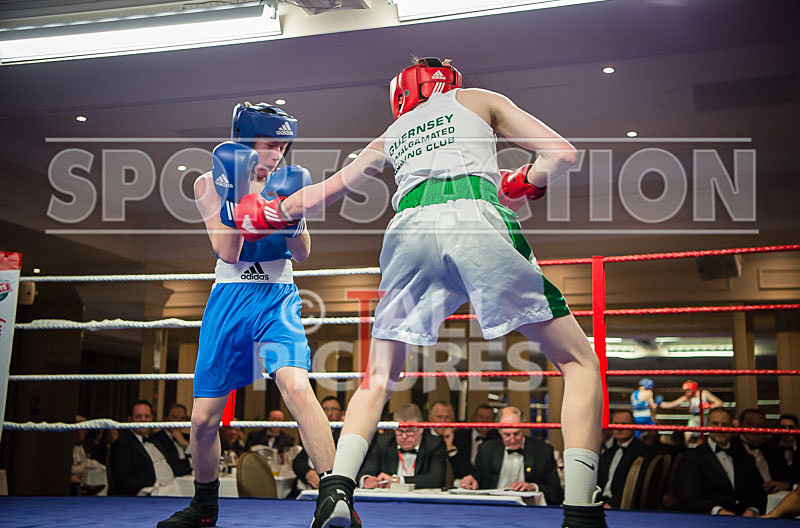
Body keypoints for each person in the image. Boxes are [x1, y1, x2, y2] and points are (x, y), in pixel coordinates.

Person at [235, 57, 604, 527]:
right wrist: (526, 180)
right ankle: (581, 511)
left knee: (378, 376)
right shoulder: (481, 99)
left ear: (403, 94)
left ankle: (336, 493)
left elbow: (334, 187)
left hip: (407, 230)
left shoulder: (396, 129)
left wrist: (273, 209)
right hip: (475, 219)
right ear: (449, 81)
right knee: (578, 362)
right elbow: (562, 154)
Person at [157, 103, 337, 528]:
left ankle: (334, 497)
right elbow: (228, 251)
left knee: (296, 386)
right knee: (203, 420)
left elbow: (304, 252)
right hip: (231, 296)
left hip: (278, 295)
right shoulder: (208, 184)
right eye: (270, 144)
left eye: (283, 145)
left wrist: (290, 220)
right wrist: (239, 198)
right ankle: (204, 508)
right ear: (245, 141)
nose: (278, 154)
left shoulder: (290, 183)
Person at [460, 406, 563, 505]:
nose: (512, 440)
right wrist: (471, 481)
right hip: (493, 508)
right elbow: (477, 479)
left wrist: (534, 487)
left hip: (530, 510)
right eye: (507, 435)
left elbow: (556, 493)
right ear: (499, 430)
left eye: (517, 434)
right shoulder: (486, 450)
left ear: (524, 428)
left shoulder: (543, 451)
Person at [678, 407, 766, 516]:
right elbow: (689, 497)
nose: (720, 428)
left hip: (745, 521)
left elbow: (759, 493)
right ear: (707, 426)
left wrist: (753, 510)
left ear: (732, 428)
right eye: (715, 424)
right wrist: (718, 511)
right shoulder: (692, 457)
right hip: (709, 521)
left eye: (724, 424)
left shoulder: (746, 457)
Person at [358, 404, 447, 490]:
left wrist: (397, 481)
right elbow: (366, 471)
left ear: (421, 428)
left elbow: (436, 479)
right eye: (400, 431)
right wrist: (367, 480)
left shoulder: (435, 444)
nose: (404, 436)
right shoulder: (383, 442)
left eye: (410, 431)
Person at [110, 400, 176, 496]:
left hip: (170, 488)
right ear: (129, 419)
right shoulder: (121, 444)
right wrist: (155, 485)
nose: (143, 420)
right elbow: (123, 481)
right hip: (147, 495)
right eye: (138, 416)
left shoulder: (154, 440)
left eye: (147, 416)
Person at [597, 410, 652, 509]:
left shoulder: (642, 452)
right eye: (616, 424)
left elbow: (637, 486)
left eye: (624, 424)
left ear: (633, 426)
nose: (619, 428)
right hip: (601, 502)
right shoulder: (608, 452)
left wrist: (612, 504)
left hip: (621, 506)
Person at [733, 408, 792, 493]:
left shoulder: (773, 449)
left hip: (776, 498)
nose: (755, 428)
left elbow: (788, 477)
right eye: (750, 424)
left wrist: (784, 484)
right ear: (741, 426)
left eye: (760, 425)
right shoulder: (732, 447)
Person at [294, 396, 345, 490]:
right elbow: (298, 461)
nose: (329, 413)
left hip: (333, 486)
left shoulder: (345, 435)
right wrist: (307, 473)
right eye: (325, 409)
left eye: (334, 409)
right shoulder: (311, 431)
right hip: (306, 488)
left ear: (342, 413)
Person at [149, 403, 193, 477]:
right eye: (174, 417)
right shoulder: (156, 438)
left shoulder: (189, 437)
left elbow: (200, 461)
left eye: (182, 418)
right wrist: (191, 463)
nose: (178, 421)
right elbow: (172, 466)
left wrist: (186, 445)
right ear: (166, 418)